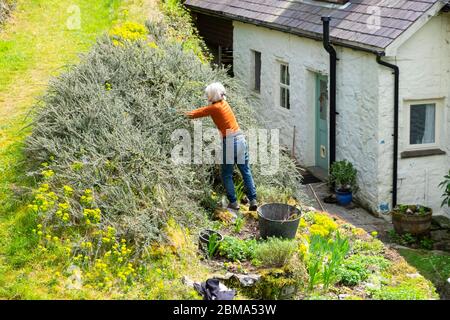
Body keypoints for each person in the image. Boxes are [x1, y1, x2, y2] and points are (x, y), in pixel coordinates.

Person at [186, 82, 258, 211]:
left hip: (230, 142)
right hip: (241, 139)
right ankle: (253, 200)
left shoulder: (215, 108)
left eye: (208, 94)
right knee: (245, 171)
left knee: (226, 174)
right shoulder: (225, 104)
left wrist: (178, 112)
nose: (206, 96)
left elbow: (194, 114)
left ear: (212, 95)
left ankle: (234, 203)